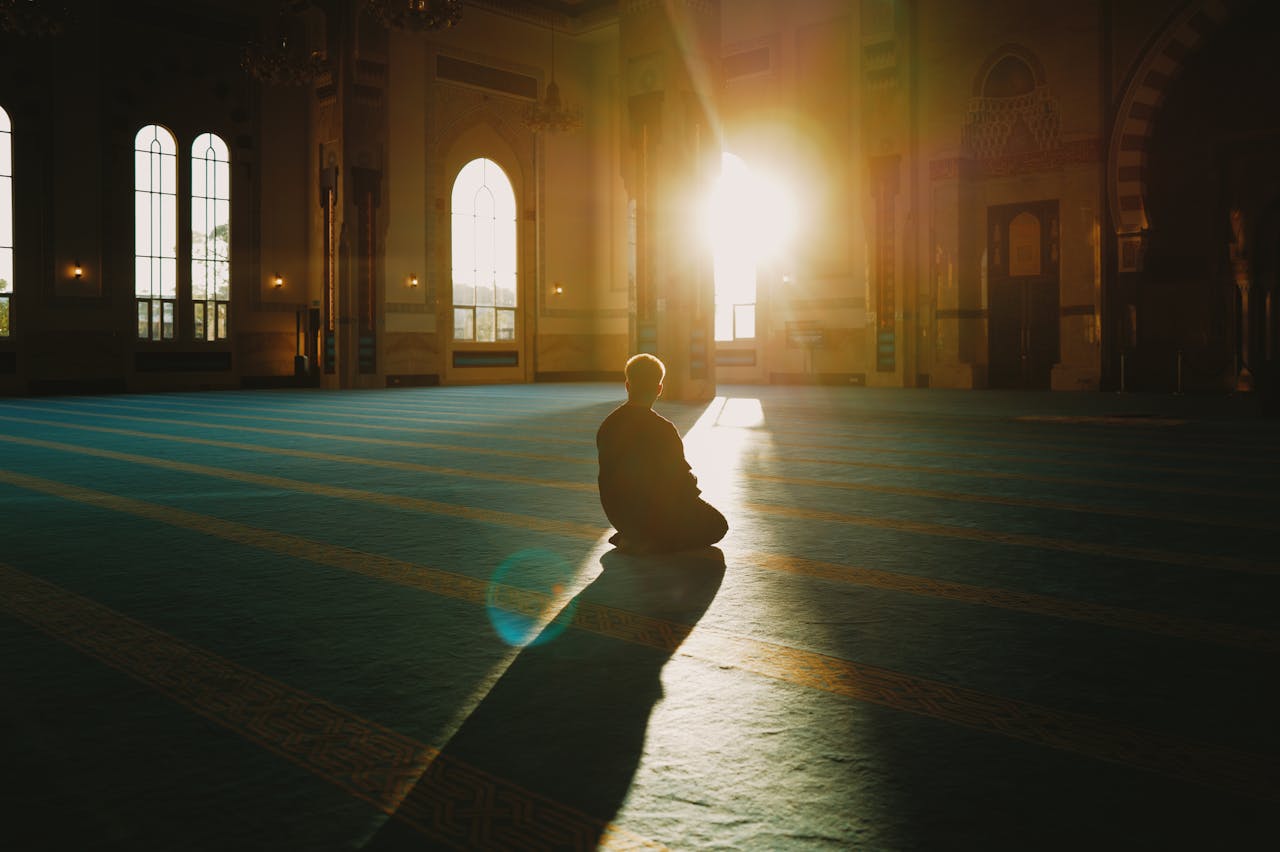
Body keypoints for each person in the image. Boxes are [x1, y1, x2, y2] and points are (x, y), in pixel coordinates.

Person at [596, 353, 728, 553]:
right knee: (718, 525)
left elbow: (607, 477)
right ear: (659, 389)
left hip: (619, 515)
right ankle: (653, 542)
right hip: (656, 517)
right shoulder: (664, 429)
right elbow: (681, 484)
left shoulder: (608, 425)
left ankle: (632, 536)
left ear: (627, 385)